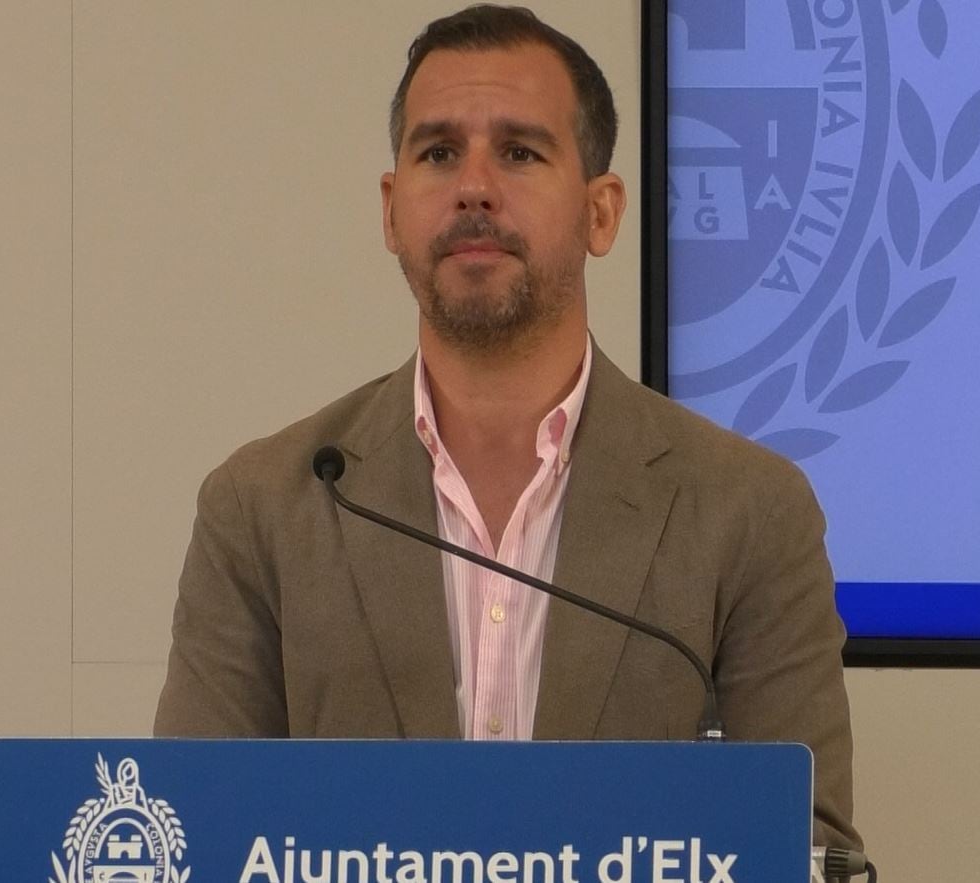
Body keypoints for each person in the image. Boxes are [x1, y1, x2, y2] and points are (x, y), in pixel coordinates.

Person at [155, 4, 860, 851]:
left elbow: (809, 848)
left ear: (601, 213)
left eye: (520, 152)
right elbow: (191, 835)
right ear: (391, 211)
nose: (474, 187)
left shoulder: (749, 511)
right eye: (438, 152)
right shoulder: (266, 506)